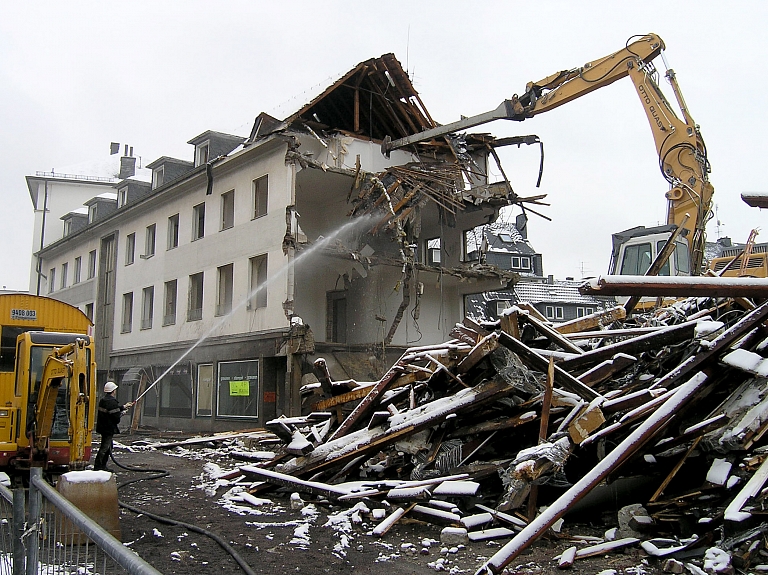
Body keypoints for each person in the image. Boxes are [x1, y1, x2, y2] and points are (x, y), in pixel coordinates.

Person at [93, 381, 133, 471]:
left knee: (108, 447)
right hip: (108, 428)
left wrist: (124, 406)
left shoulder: (104, 400)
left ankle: (102, 466)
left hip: (103, 427)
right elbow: (115, 416)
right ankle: (98, 466)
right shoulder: (112, 402)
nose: (115, 391)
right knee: (105, 448)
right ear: (113, 390)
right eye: (115, 390)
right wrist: (122, 413)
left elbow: (112, 410)